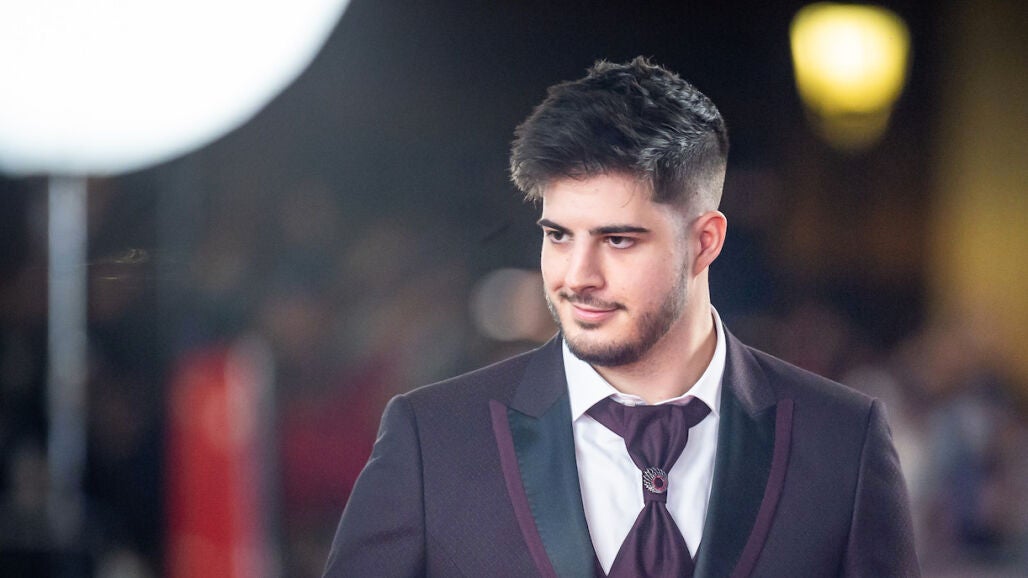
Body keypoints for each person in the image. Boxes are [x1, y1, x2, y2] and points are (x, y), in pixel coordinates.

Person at [323, 57, 919, 577]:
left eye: (618, 240)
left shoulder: (843, 441)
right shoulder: (433, 439)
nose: (577, 275)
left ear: (705, 242)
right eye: (559, 235)